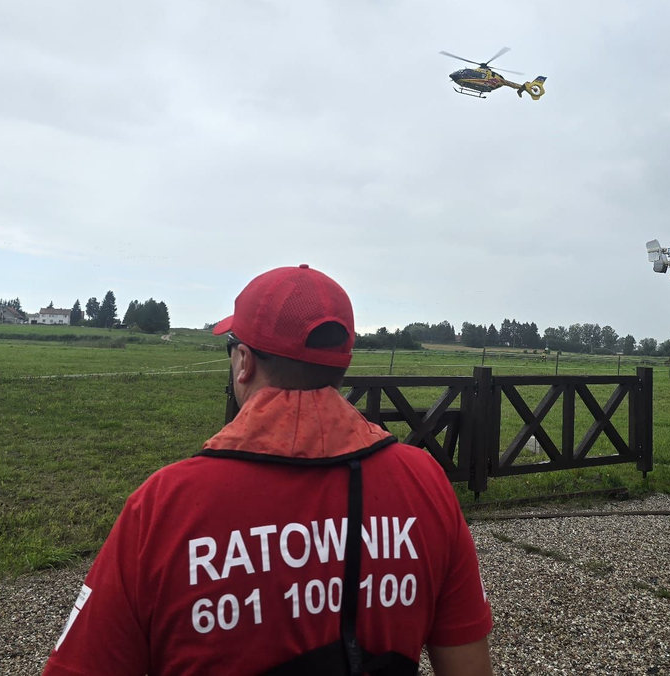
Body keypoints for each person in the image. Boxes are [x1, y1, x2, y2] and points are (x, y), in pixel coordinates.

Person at [43, 265, 493, 676]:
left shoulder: (165, 506)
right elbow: (469, 666)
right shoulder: (424, 481)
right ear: (341, 363)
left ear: (244, 362)